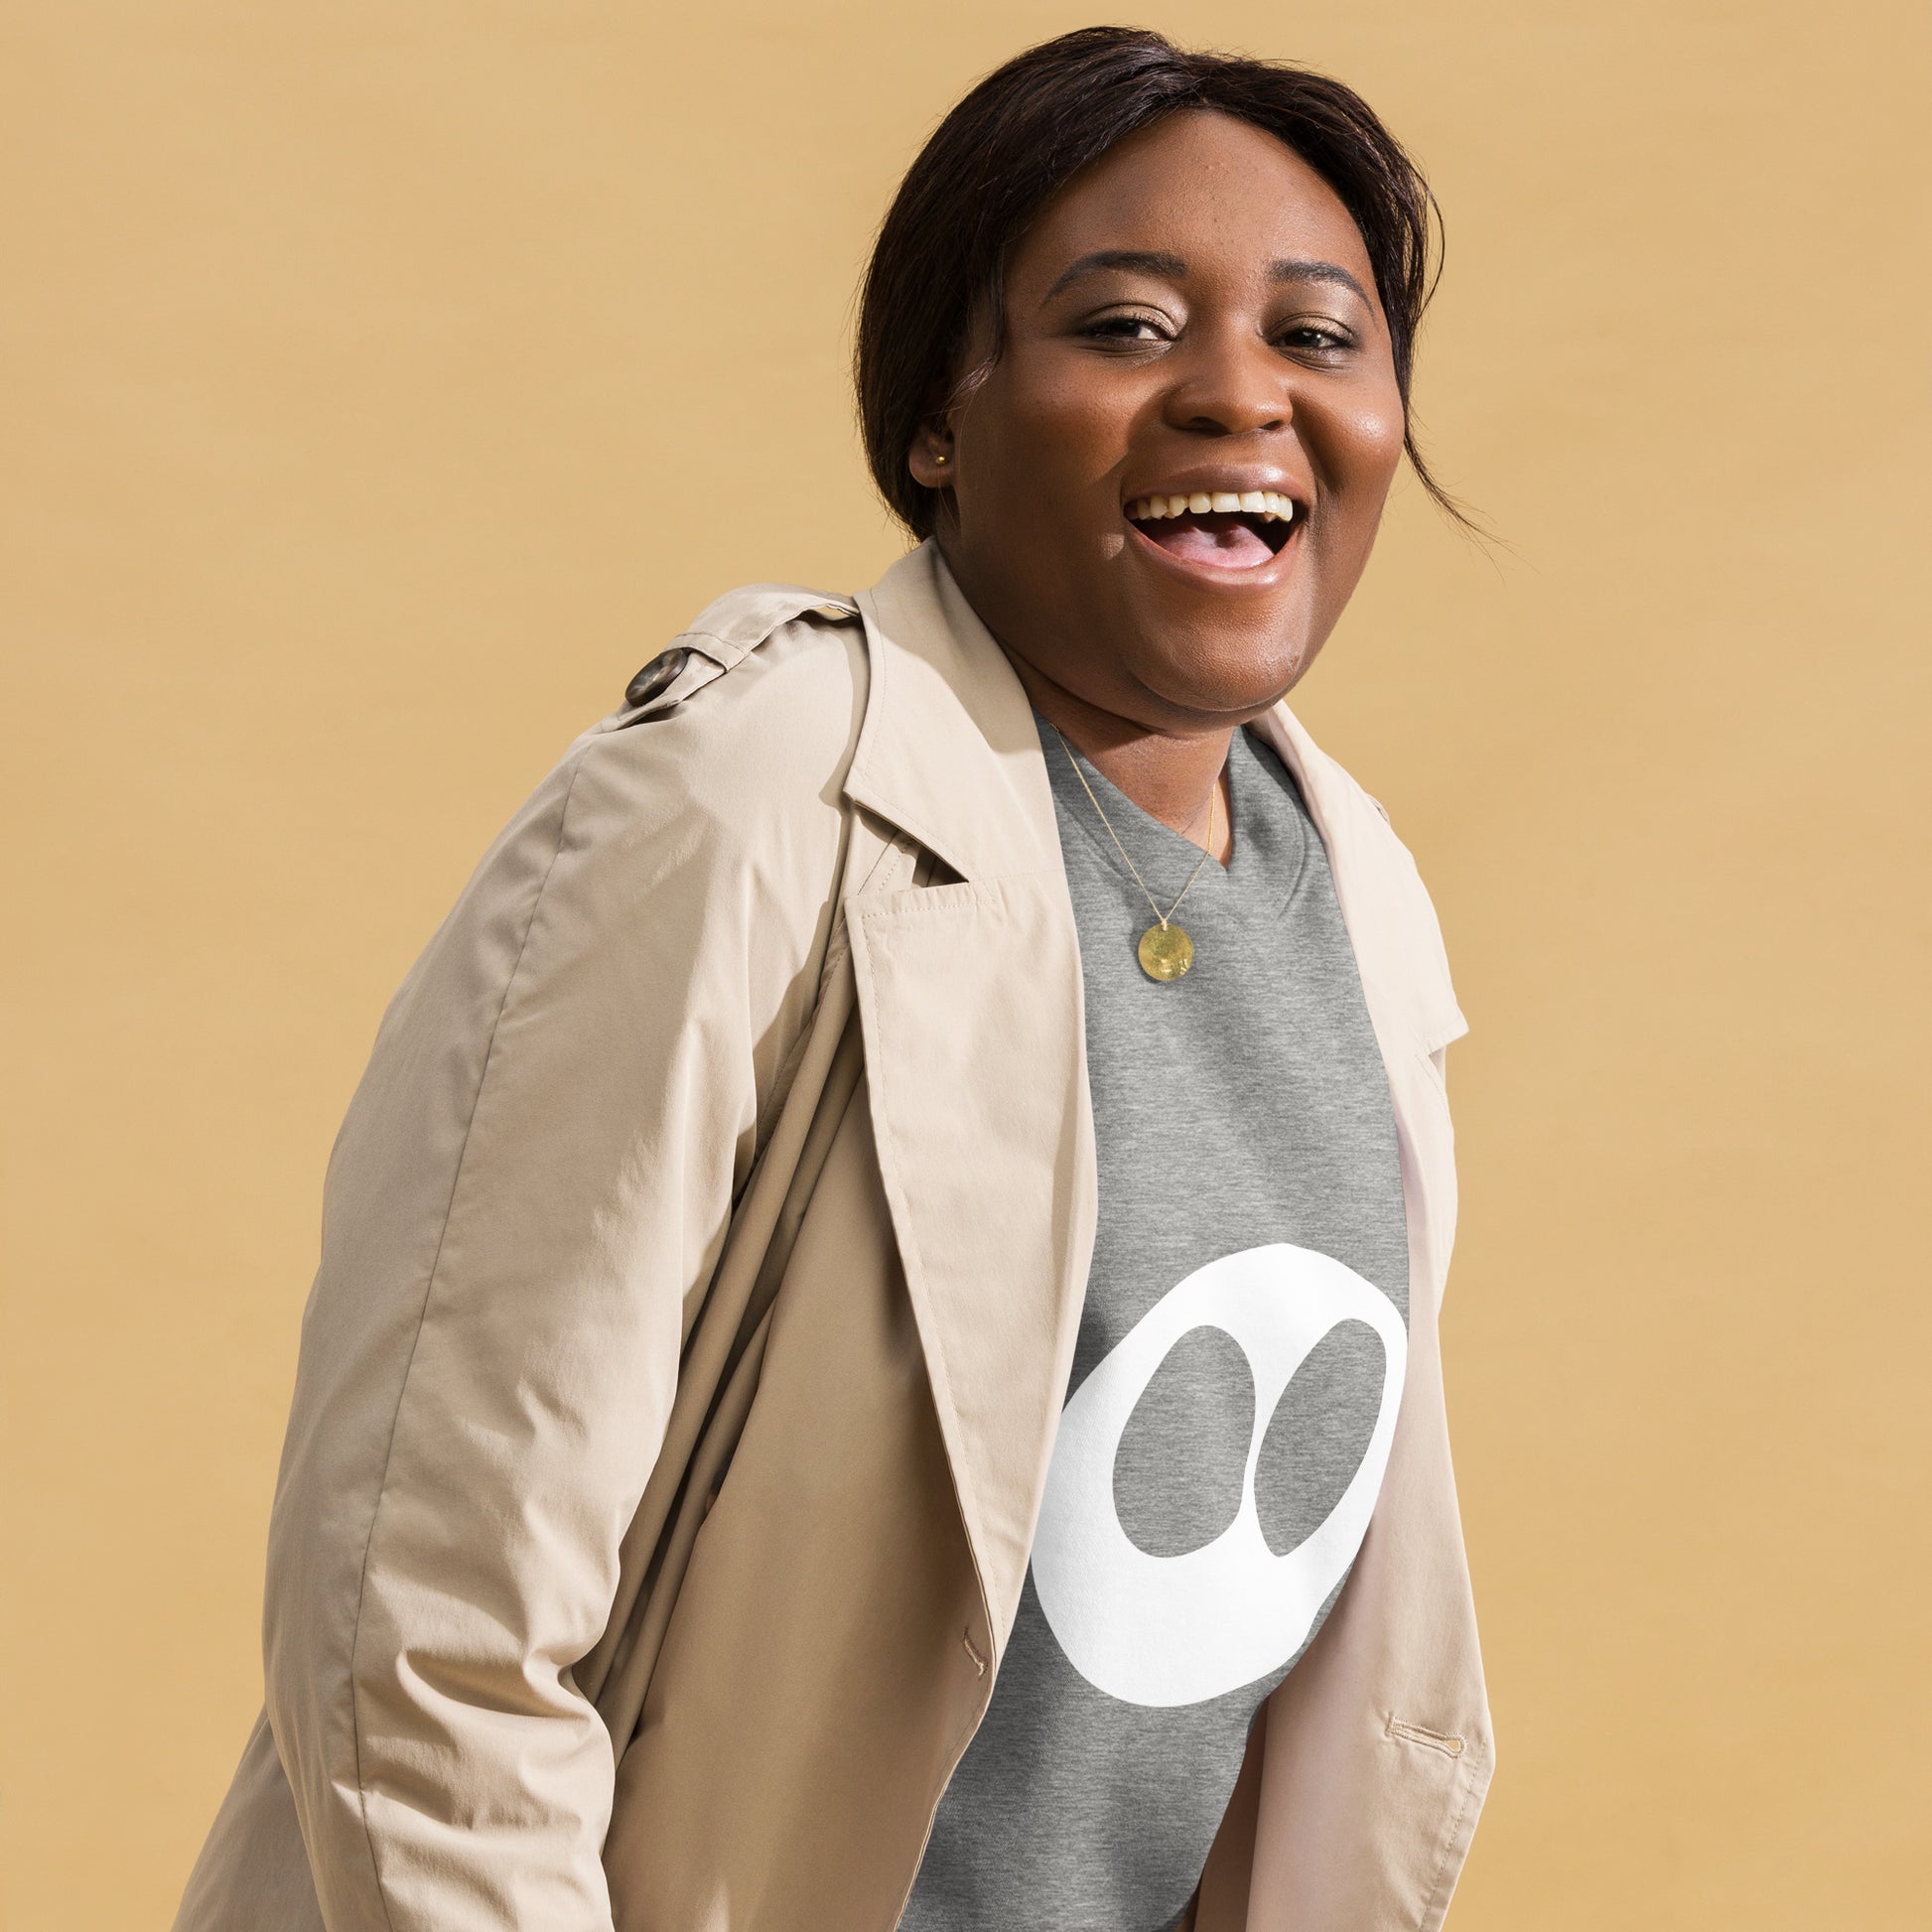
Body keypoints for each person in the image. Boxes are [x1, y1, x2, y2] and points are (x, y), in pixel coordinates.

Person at [175, 25, 1492, 1932]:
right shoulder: (752, 794)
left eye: (1316, 335)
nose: (1237, 392)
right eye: (1125, 326)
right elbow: (425, 1612)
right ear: (938, 415)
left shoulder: (1357, 889)